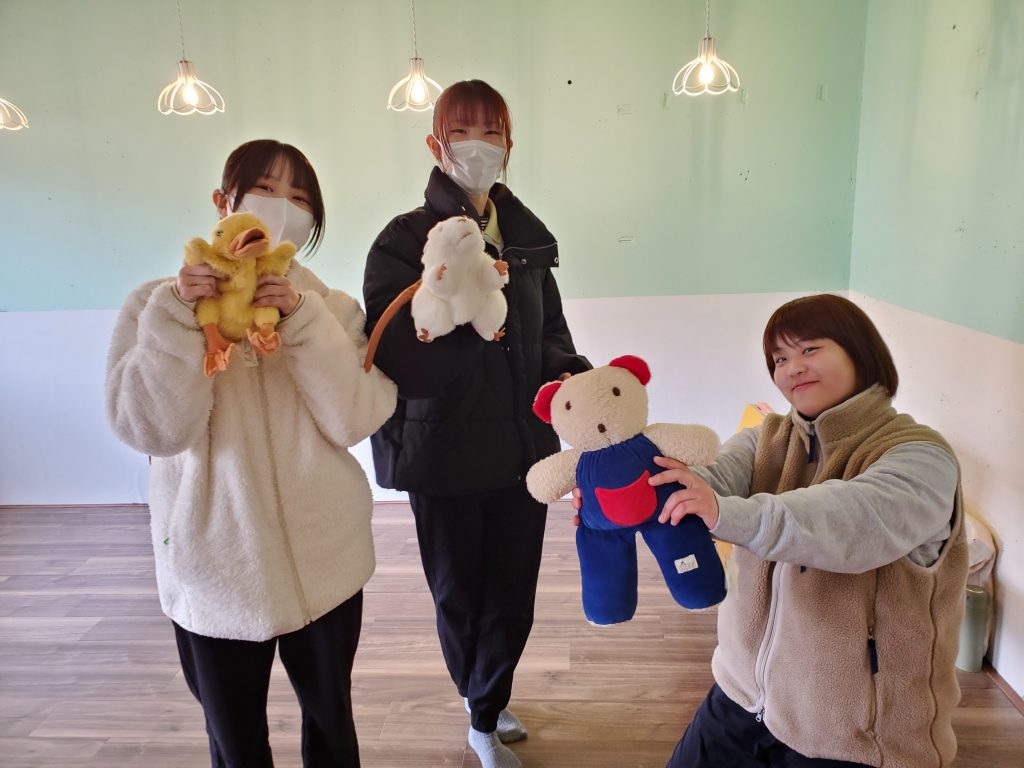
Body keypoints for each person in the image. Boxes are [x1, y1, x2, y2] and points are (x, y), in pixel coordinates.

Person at [106, 139, 397, 768]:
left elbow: (355, 419)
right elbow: (154, 431)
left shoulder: (332, 308)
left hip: (326, 560)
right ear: (224, 201)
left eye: (300, 199)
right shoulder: (157, 306)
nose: (281, 207)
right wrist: (181, 317)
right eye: (265, 190)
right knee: (235, 744)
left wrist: (302, 322)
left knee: (333, 730)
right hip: (213, 567)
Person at [363, 80, 590, 768]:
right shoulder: (404, 241)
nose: (478, 144)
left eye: (491, 131)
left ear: (509, 145)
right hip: (443, 453)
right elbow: (394, 353)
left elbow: (548, 333)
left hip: (523, 451)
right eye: (462, 130)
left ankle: (486, 702)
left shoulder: (525, 240)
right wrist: (462, 308)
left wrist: (573, 375)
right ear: (435, 143)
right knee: (459, 595)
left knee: (513, 592)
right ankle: (480, 707)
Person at [642, 293, 967, 767]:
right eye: (779, 358)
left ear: (860, 352)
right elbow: (708, 480)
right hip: (743, 692)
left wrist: (723, 512)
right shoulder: (765, 438)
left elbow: (846, 522)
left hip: (856, 732)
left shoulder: (921, 456)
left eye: (810, 349)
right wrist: (626, 493)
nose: (792, 368)